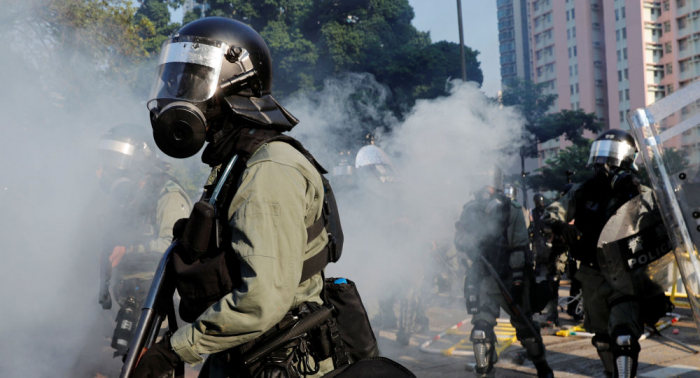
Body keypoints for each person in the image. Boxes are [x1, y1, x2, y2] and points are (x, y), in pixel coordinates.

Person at [133, 17, 410, 378]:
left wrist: (175, 350)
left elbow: (262, 299)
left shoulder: (269, 169)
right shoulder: (236, 162)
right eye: (173, 79)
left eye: (190, 80)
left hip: (278, 360)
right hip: (243, 353)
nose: (176, 93)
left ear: (233, 83)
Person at [542, 130, 660, 378]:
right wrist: (559, 225)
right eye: (599, 157)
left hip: (627, 277)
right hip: (592, 276)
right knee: (603, 340)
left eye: (610, 157)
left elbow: (663, 231)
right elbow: (551, 215)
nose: (602, 165)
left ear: (626, 160)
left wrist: (639, 196)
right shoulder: (582, 191)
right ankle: (611, 374)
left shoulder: (643, 194)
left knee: (624, 337)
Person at [96, 123, 192, 356]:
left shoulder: (167, 194)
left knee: (147, 364)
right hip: (131, 296)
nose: (113, 167)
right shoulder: (133, 197)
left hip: (158, 301)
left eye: (119, 159)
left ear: (140, 159)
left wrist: (128, 250)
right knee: (126, 359)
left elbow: (174, 247)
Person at [455, 174, 554, 378]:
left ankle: (542, 367)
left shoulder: (511, 209)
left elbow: (519, 246)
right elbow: (460, 239)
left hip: (510, 277)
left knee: (525, 328)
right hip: (484, 276)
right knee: (481, 329)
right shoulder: (470, 210)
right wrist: (469, 245)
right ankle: (485, 370)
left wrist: (518, 280)